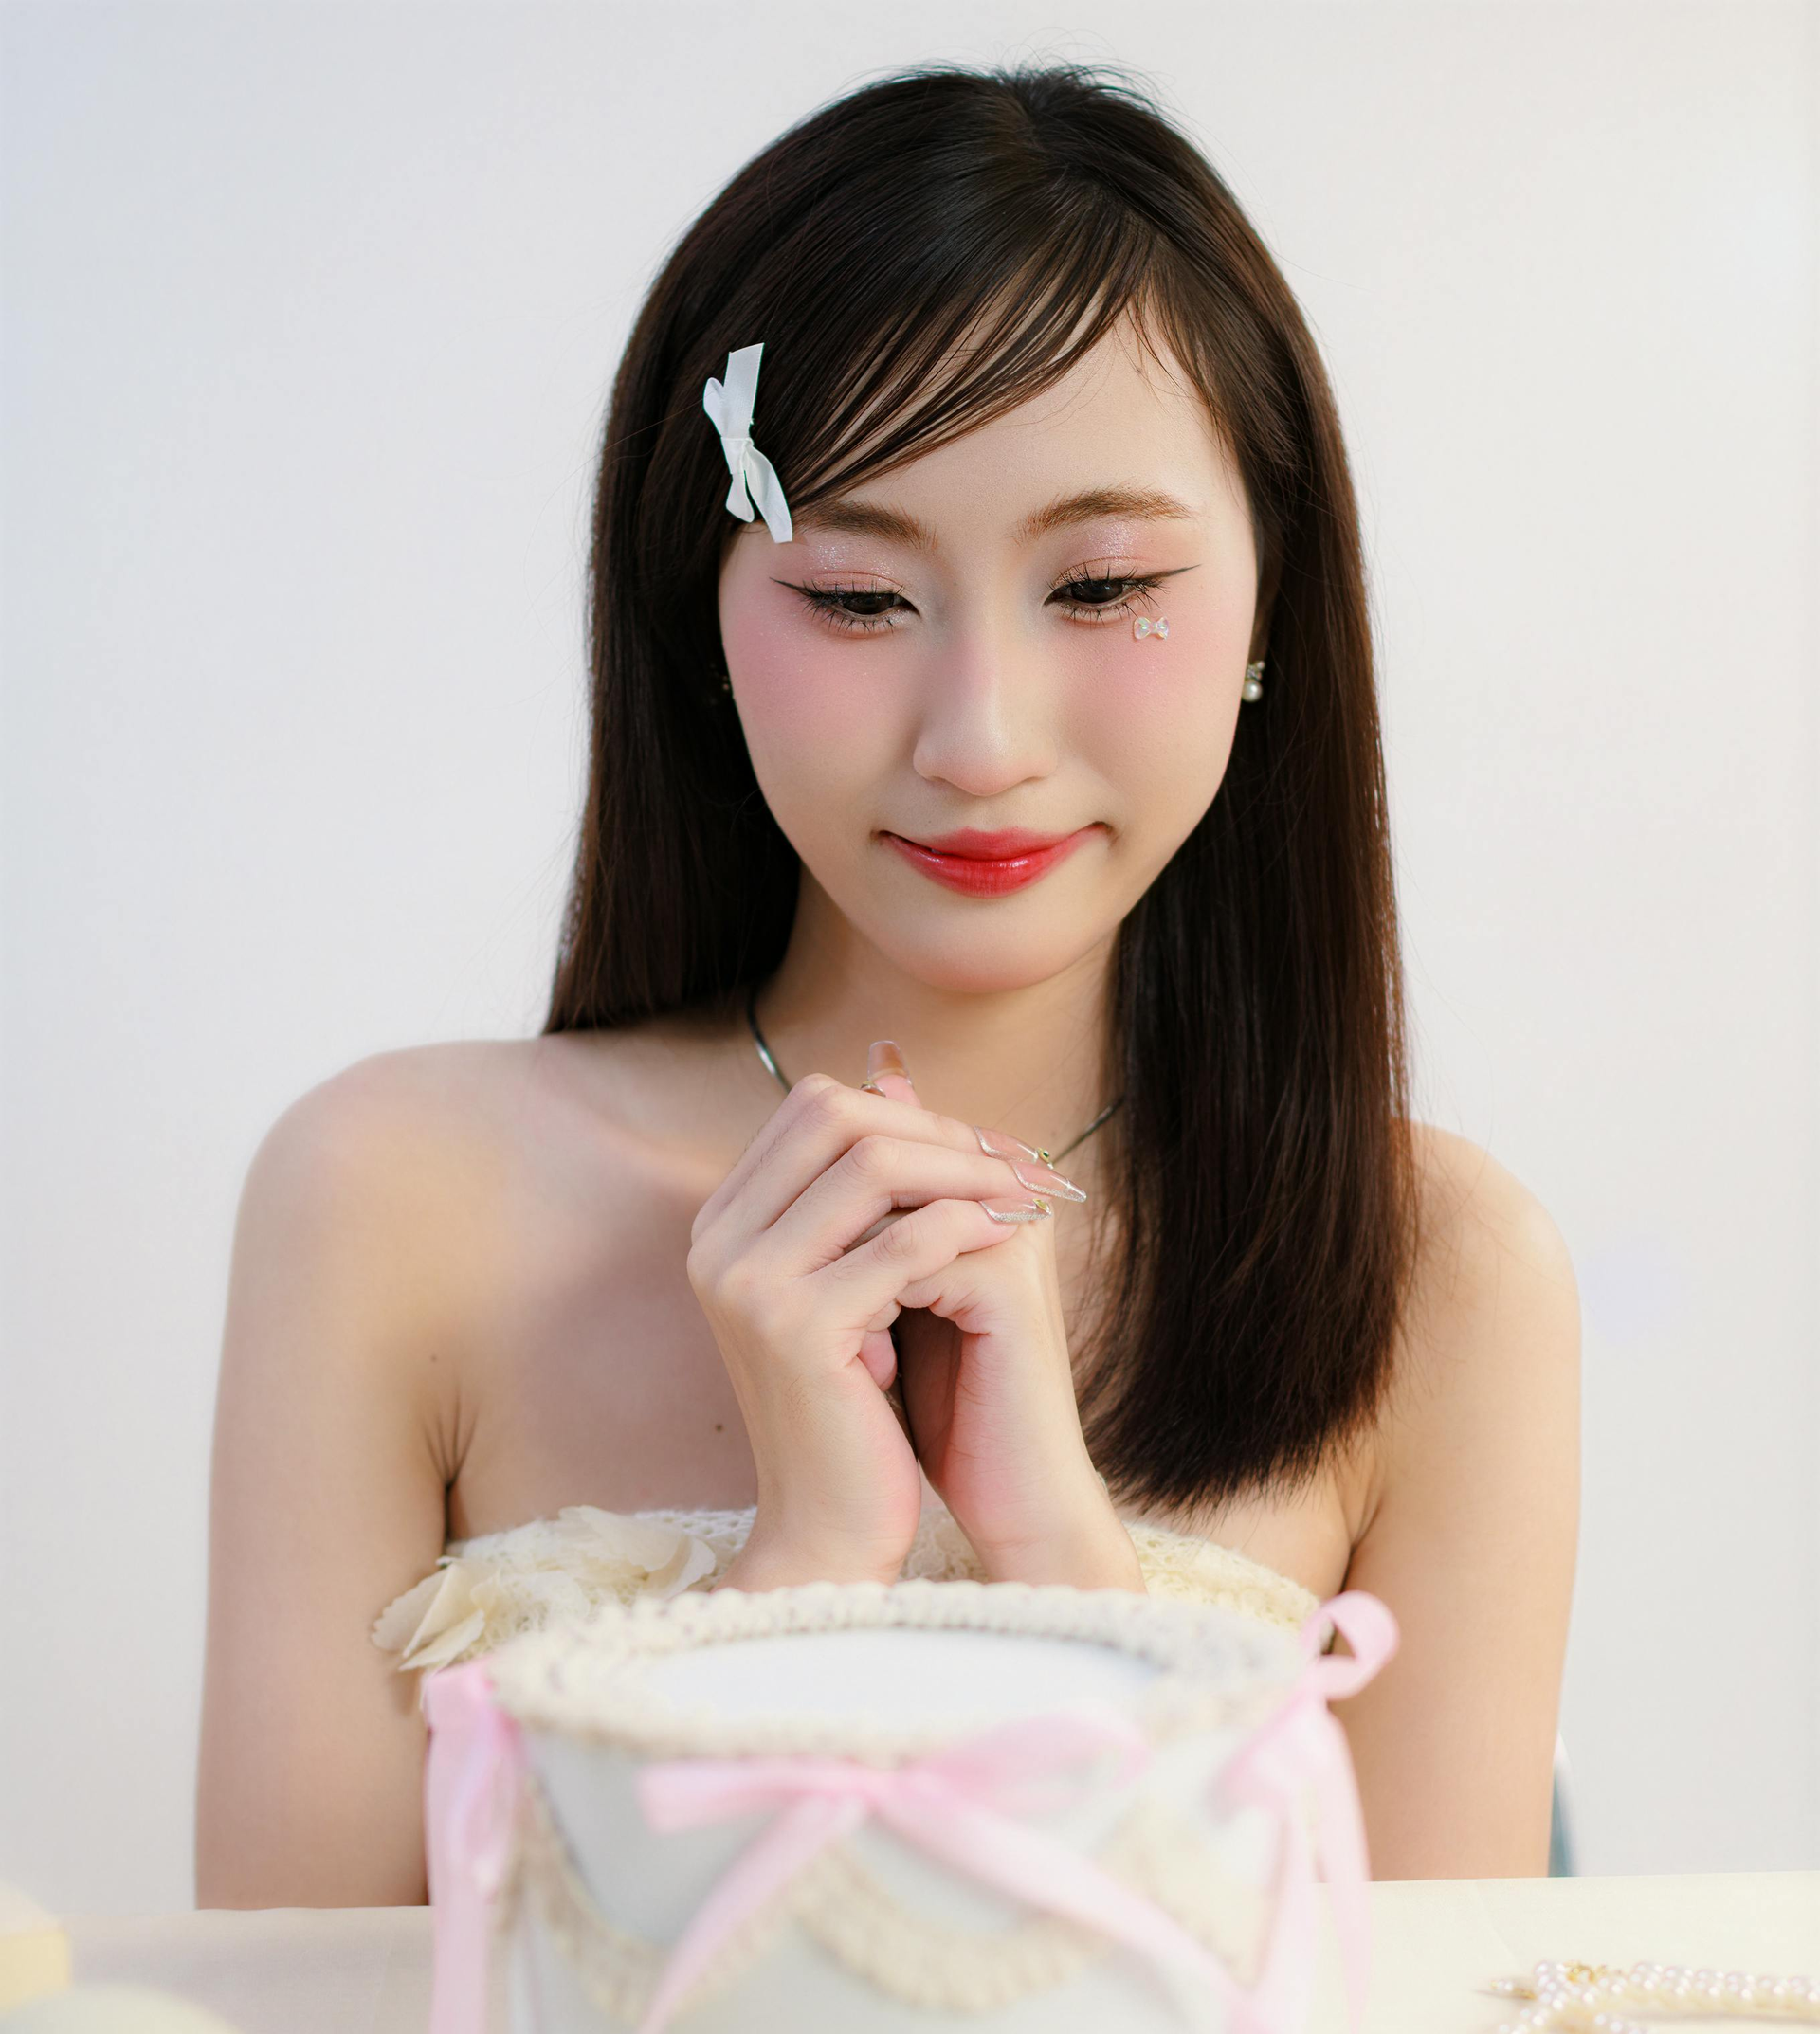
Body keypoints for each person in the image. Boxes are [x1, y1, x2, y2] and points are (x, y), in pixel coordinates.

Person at [195, 64, 1578, 1907]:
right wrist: (806, 1575)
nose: (981, 739)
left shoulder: (1437, 1272)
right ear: (698, 613)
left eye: (1099, 588)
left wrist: (1057, 1558)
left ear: (1272, 610)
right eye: (855, 599)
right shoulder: (387, 1199)